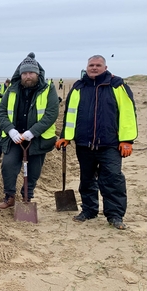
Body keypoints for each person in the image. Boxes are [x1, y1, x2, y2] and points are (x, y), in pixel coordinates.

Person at [56, 55, 137, 230]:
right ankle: (89, 210)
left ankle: (115, 215)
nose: (94, 67)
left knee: (112, 179)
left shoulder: (117, 85)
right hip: (84, 144)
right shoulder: (78, 87)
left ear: (105, 67)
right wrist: (66, 136)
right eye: (91, 65)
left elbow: (128, 113)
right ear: (86, 67)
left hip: (110, 144)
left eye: (98, 65)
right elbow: (70, 115)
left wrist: (127, 140)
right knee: (86, 179)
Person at [0, 52, 59, 209]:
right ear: (20, 74)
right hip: (15, 138)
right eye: (24, 73)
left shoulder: (48, 89)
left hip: (37, 139)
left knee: (33, 170)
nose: (28, 76)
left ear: (37, 74)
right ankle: (9, 196)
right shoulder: (12, 89)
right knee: (8, 165)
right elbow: (1, 111)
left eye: (31, 73)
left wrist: (32, 132)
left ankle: (27, 197)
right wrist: (11, 131)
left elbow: (51, 114)